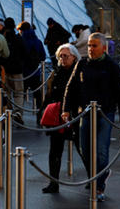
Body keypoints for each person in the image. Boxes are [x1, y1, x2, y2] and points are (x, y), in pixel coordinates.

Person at [62, 32, 120, 202]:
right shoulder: (82, 64)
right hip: (85, 113)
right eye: (89, 46)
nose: (90, 49)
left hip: (104, 114)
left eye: (94, 46)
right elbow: (71, 88)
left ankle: (98, 185)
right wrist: (67, 110)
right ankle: (99, 174)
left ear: (103, 48)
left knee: (101, 151)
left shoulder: (112, 67)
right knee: (85, 150)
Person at [41, 44, 84, 193]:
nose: (63, 59)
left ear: (74, 56)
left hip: (76, 116)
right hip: (58, 117)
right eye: (60, 56)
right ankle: (54, 182)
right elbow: (49, 94)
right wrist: (42, 110)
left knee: (82, 149)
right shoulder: (56, 73)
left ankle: (95, 179)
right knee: (55, 150)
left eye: (66, 56)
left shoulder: (80, 72)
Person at [17, 21, 46, 122]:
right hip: (35, 72)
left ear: (21, 30)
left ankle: (19, 115)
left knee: (20, 95)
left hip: (23, 72)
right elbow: (43, 56)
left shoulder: (21, 40)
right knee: (38, 95)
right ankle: (40, 114)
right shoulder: (37, 41)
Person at [3, 18, 29, 125]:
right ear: (14, 26)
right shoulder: (19, 39)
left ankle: (9, 113)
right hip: (17, 69)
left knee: (7, 92)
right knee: (18, 92)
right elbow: (25, 53)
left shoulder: (3, 38)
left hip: (5, 69)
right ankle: (18, 112)